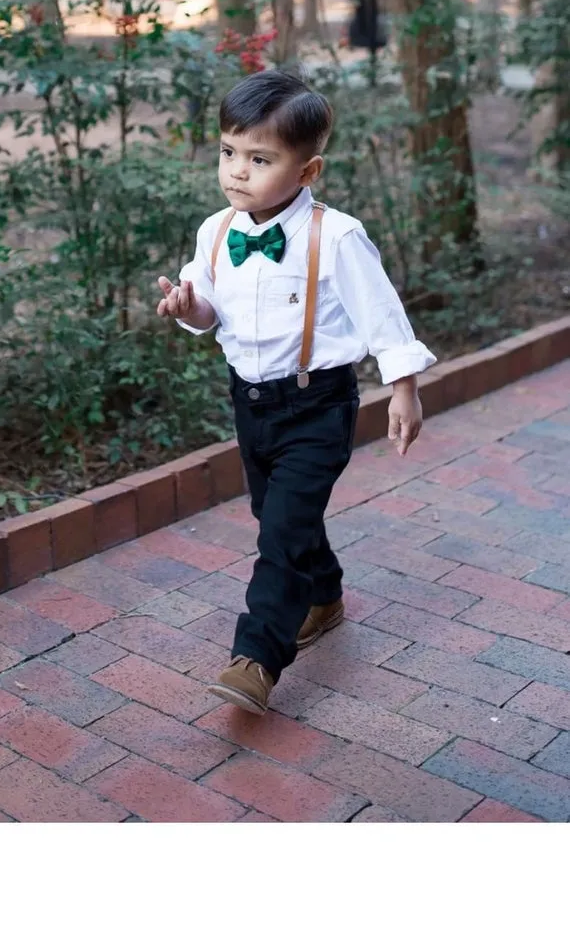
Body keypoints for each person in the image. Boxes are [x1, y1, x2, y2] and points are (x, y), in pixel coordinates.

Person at [156, 68, 436, 715]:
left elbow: (382, 314)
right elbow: (210, 313)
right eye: (229, 152)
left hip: (317, 404)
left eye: (260, 159)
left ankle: (256, 657)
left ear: (307, 172)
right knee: (276, 512)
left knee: (279, 533)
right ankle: (325, 594)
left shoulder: (334, 236)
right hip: (249, 401)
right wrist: (186, 305)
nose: (237, 171)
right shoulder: (216, 231)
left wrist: (404, 389)